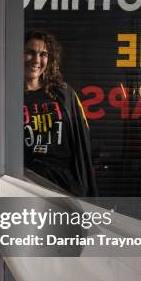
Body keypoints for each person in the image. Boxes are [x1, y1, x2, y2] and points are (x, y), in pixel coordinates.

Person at [23, 30, 97, 197]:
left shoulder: (64, 94)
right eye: (30, 53)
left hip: (64, 187)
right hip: (26, 187)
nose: (36, 60)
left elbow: (82, 146)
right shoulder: (7, 96)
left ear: (50, 60)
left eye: (43, 54)